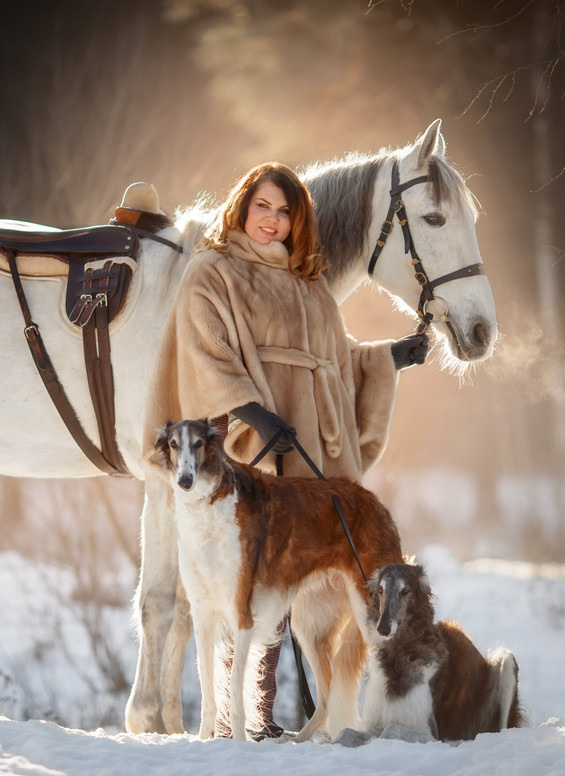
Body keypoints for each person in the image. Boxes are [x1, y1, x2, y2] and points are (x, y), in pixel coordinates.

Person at [145, 161, 429, 737]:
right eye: (262, 208)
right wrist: (252, 414)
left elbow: (338, 361)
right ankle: (253, 721)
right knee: (252, 584)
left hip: (312, 447)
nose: (272, 222)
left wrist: (391, 358)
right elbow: (206, 350)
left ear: (298, 221)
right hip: (255, 449)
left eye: (284, 212)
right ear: (242, 208)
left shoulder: (310, 282)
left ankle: (333, 712)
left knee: (314, 598)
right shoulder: (214, 271)